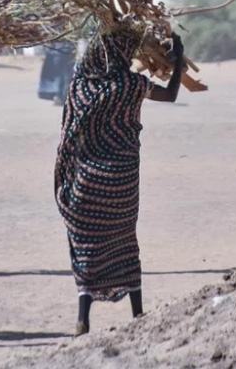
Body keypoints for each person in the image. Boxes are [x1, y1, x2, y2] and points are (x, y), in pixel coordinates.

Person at [54, 27, 186, 336]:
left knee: (87, 245)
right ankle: (137, 312)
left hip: (86, 183)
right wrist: (177, 61)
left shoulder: (80, 86)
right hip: (121, 183)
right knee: (125, 240)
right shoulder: (133, 84)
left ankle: (83, 318)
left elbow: (68, 132)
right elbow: (170, 95)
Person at [38, 41, 76, 105]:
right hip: (67, 51)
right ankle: (63, 97)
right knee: (66, 76)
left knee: (60, 76)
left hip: (58, 52)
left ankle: (60, 97)